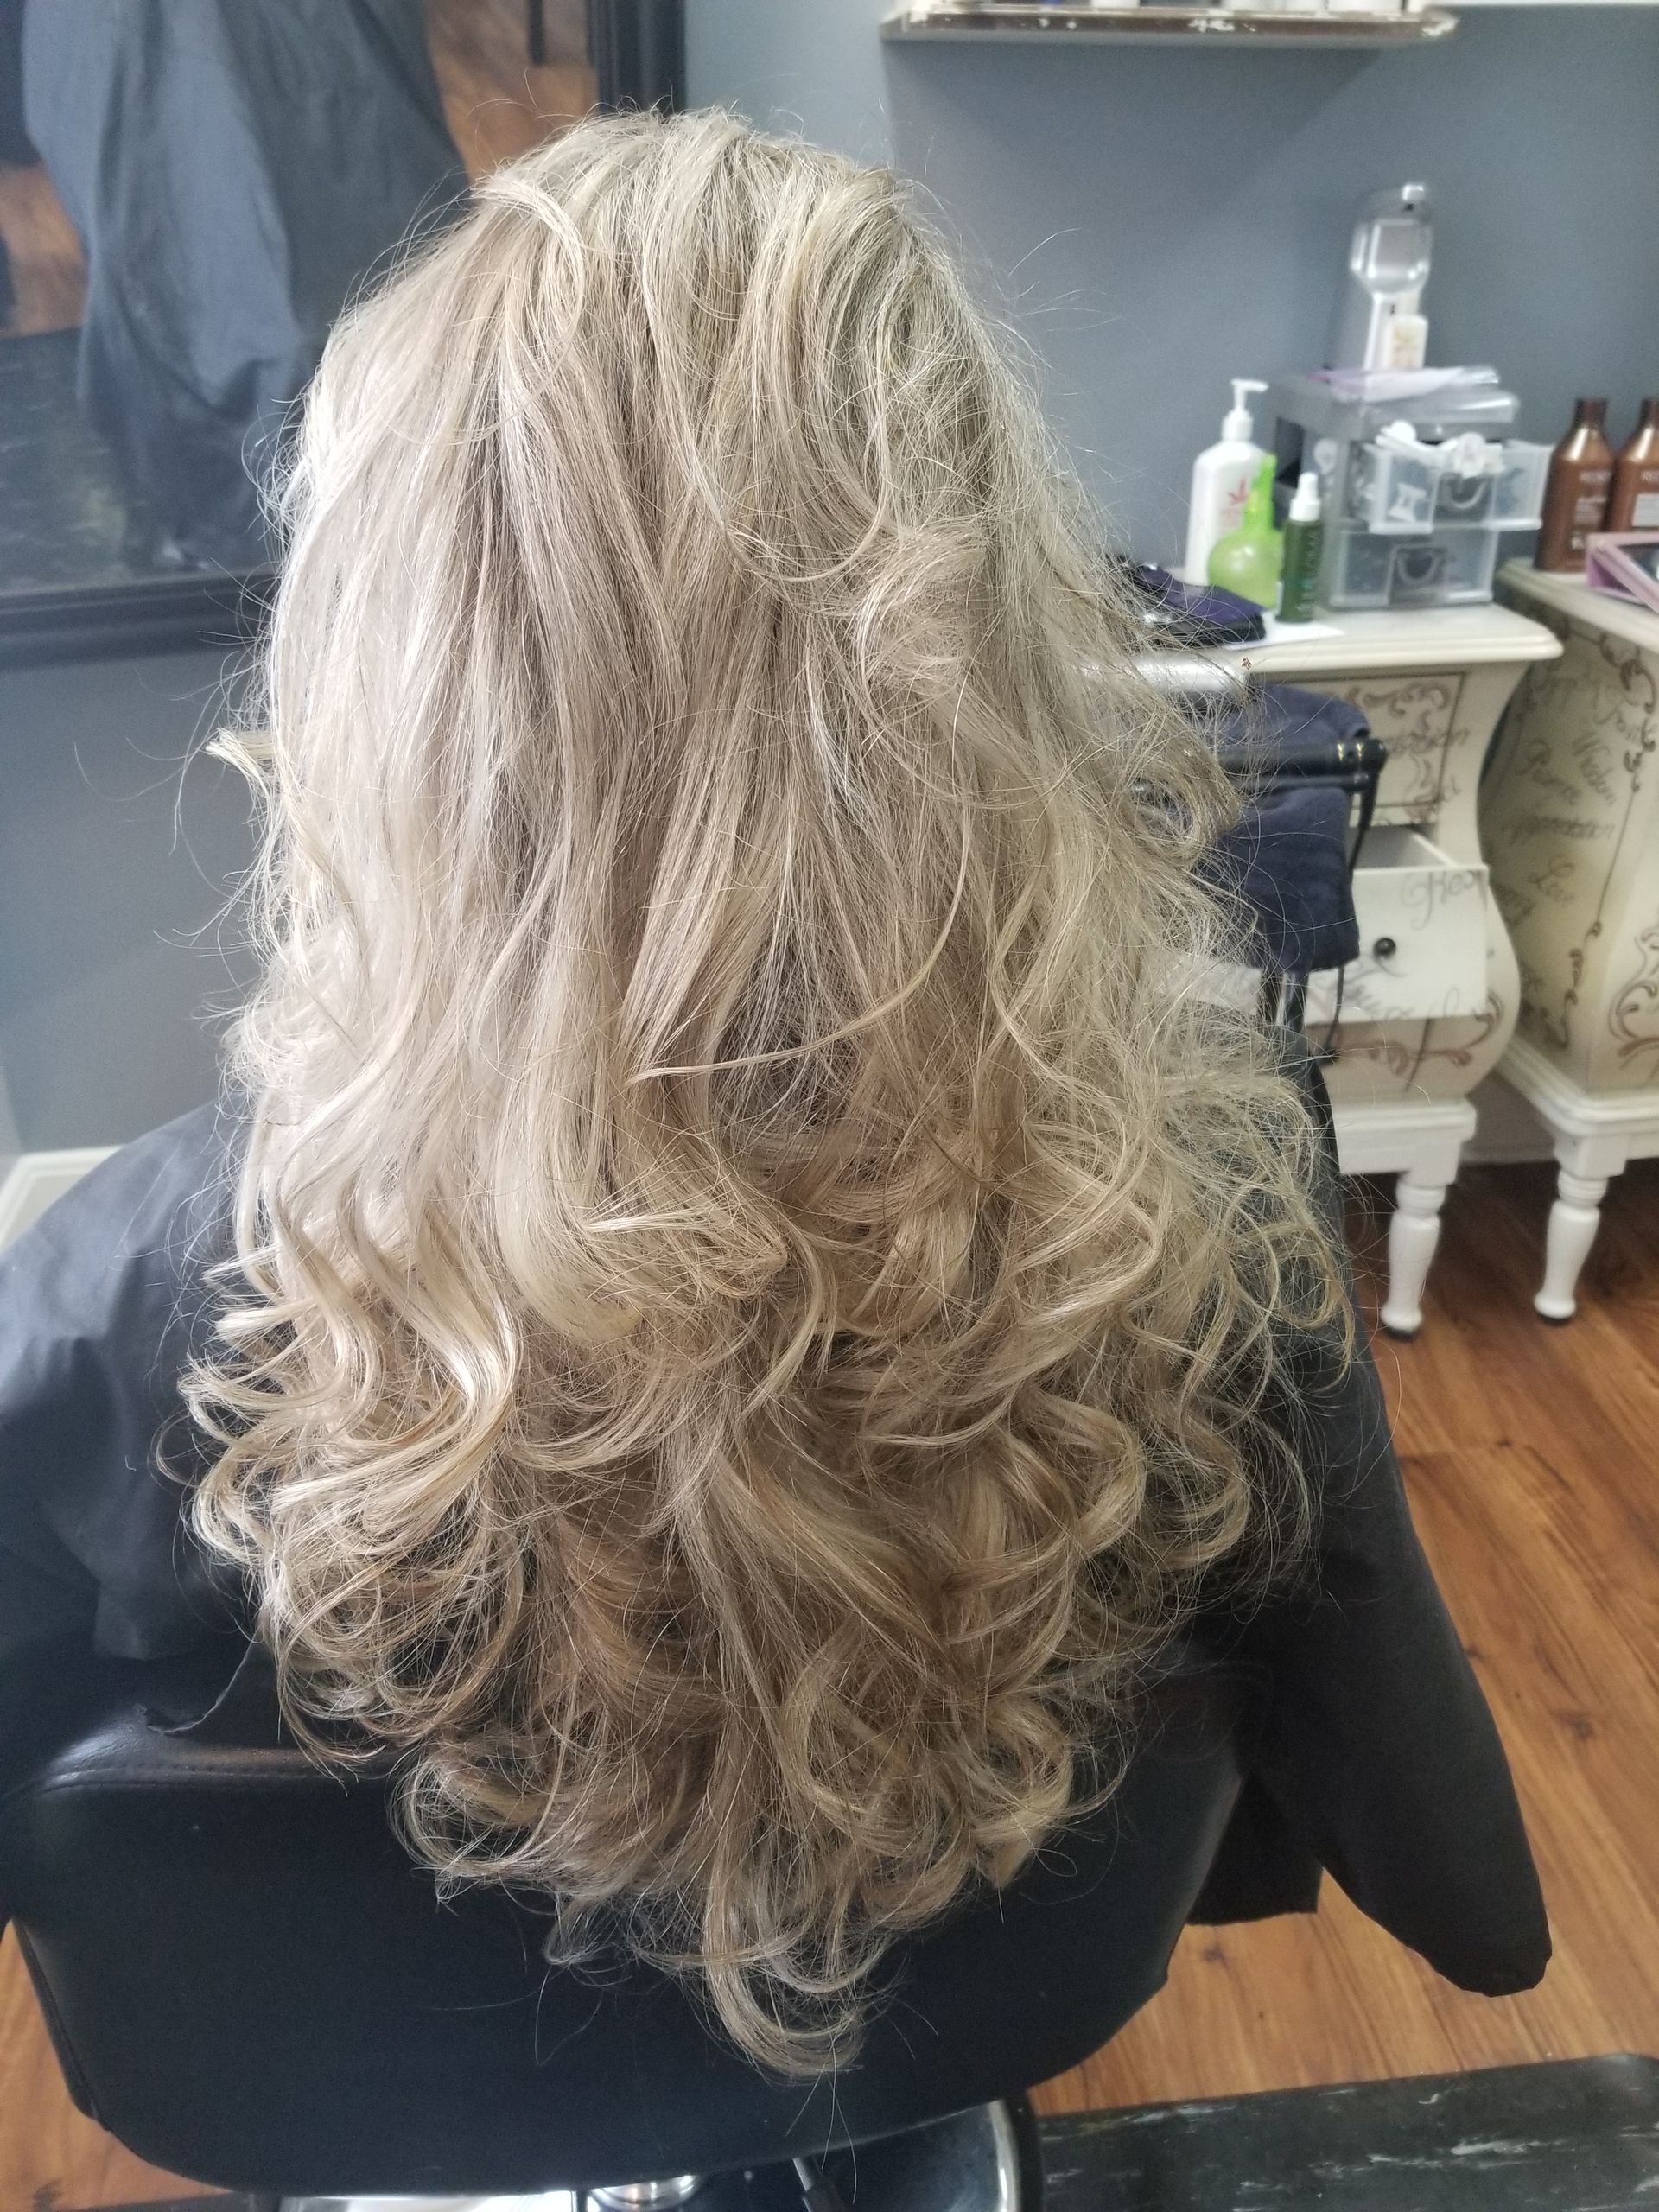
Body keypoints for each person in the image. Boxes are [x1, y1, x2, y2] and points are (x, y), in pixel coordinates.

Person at [0, 110, 1547, 2080]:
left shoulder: (146, 1272)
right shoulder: (1193, 1198)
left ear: (390, 673)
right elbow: (1469, 1890)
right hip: (978, 2020)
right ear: (989, 652)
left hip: (398, 2073)